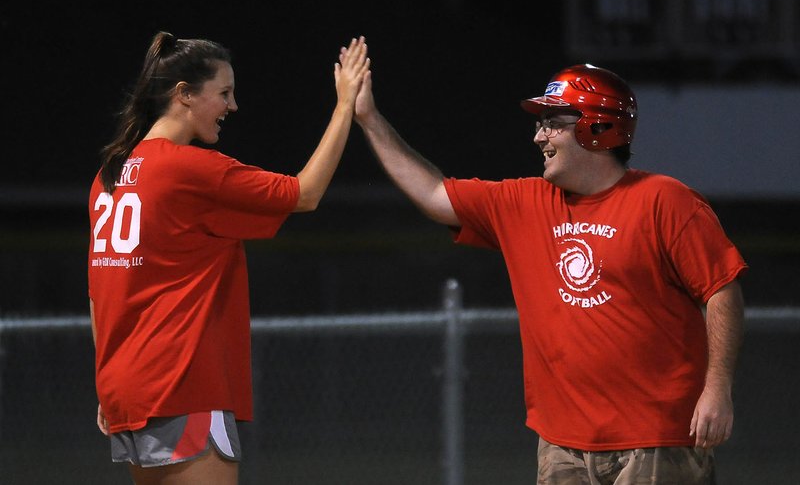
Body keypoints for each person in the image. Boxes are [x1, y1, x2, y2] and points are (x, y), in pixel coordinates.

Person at [354, 63, 747, 483]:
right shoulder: (525, 203)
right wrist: (369, 119)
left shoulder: (664, 200)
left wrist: (717, 388)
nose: (538, 136)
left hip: (658, 436)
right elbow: (433, 193)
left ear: (599, 127)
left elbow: (722, 290)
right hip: (562, 444)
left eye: (553, 124)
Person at [87, 31, 369, 484]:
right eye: (223, 93)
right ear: (183, 95)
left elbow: (99, 294)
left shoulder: (109, 176)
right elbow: (305, 193)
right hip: (182, 384)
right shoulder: (189, 170)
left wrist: (107, 378)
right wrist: (343, 107)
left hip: (127, 387)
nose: (232, 105)